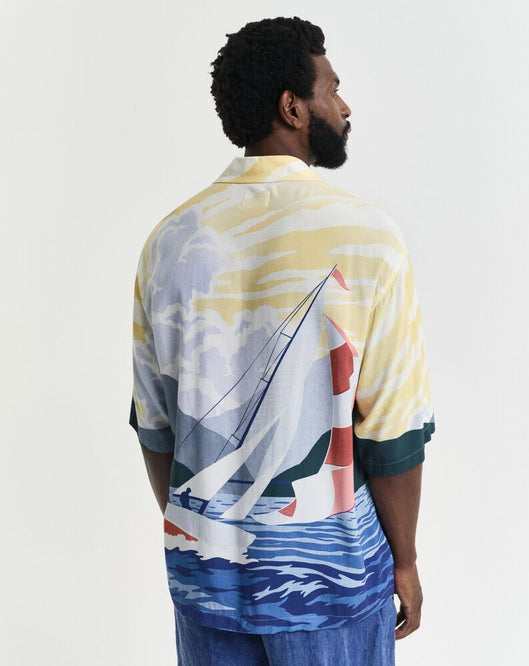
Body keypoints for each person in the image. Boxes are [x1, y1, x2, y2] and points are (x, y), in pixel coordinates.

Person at [129, 16, 436, 666]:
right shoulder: (368, 237)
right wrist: (405, 560)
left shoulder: (168, 241)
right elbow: (392, 434)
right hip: (332, 591)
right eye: (332, 88)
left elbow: (156, 428)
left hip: (204, 585)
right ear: (292, 108)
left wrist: (201, 533)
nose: (344, 106)